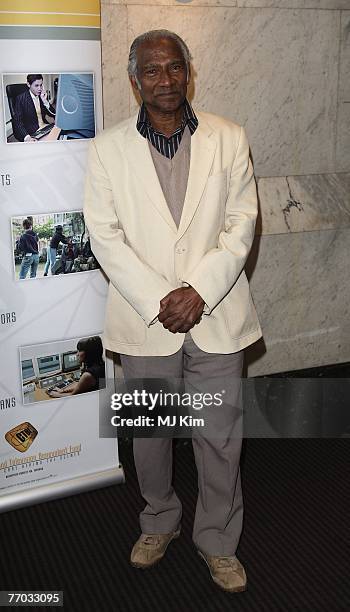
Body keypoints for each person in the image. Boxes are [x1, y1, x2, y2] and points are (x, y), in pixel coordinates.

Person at [84, 30, 262, 593]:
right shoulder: (106, 149)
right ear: (135, 81)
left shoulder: (229, 137)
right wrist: (161, 299)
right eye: (153, 71)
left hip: (216, 312)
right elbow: (104, 235)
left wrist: (199, 290)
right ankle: (158, 519)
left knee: (219, 435)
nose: (166, 81)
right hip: (146, 318)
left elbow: (242, 224)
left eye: (175, 68)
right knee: (150, 435)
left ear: (189, 73)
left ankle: (218, 540)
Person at [12, 74, 56, 142]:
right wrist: (27, 138)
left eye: (41, 85)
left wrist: (45, 102)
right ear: (28, 85)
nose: (39, 88)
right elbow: (17, 121)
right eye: (36, 85)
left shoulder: (41, 96)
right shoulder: (21, 99)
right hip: (32, 132)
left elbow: (53, 114)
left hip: (44, 128)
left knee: (59, 135)